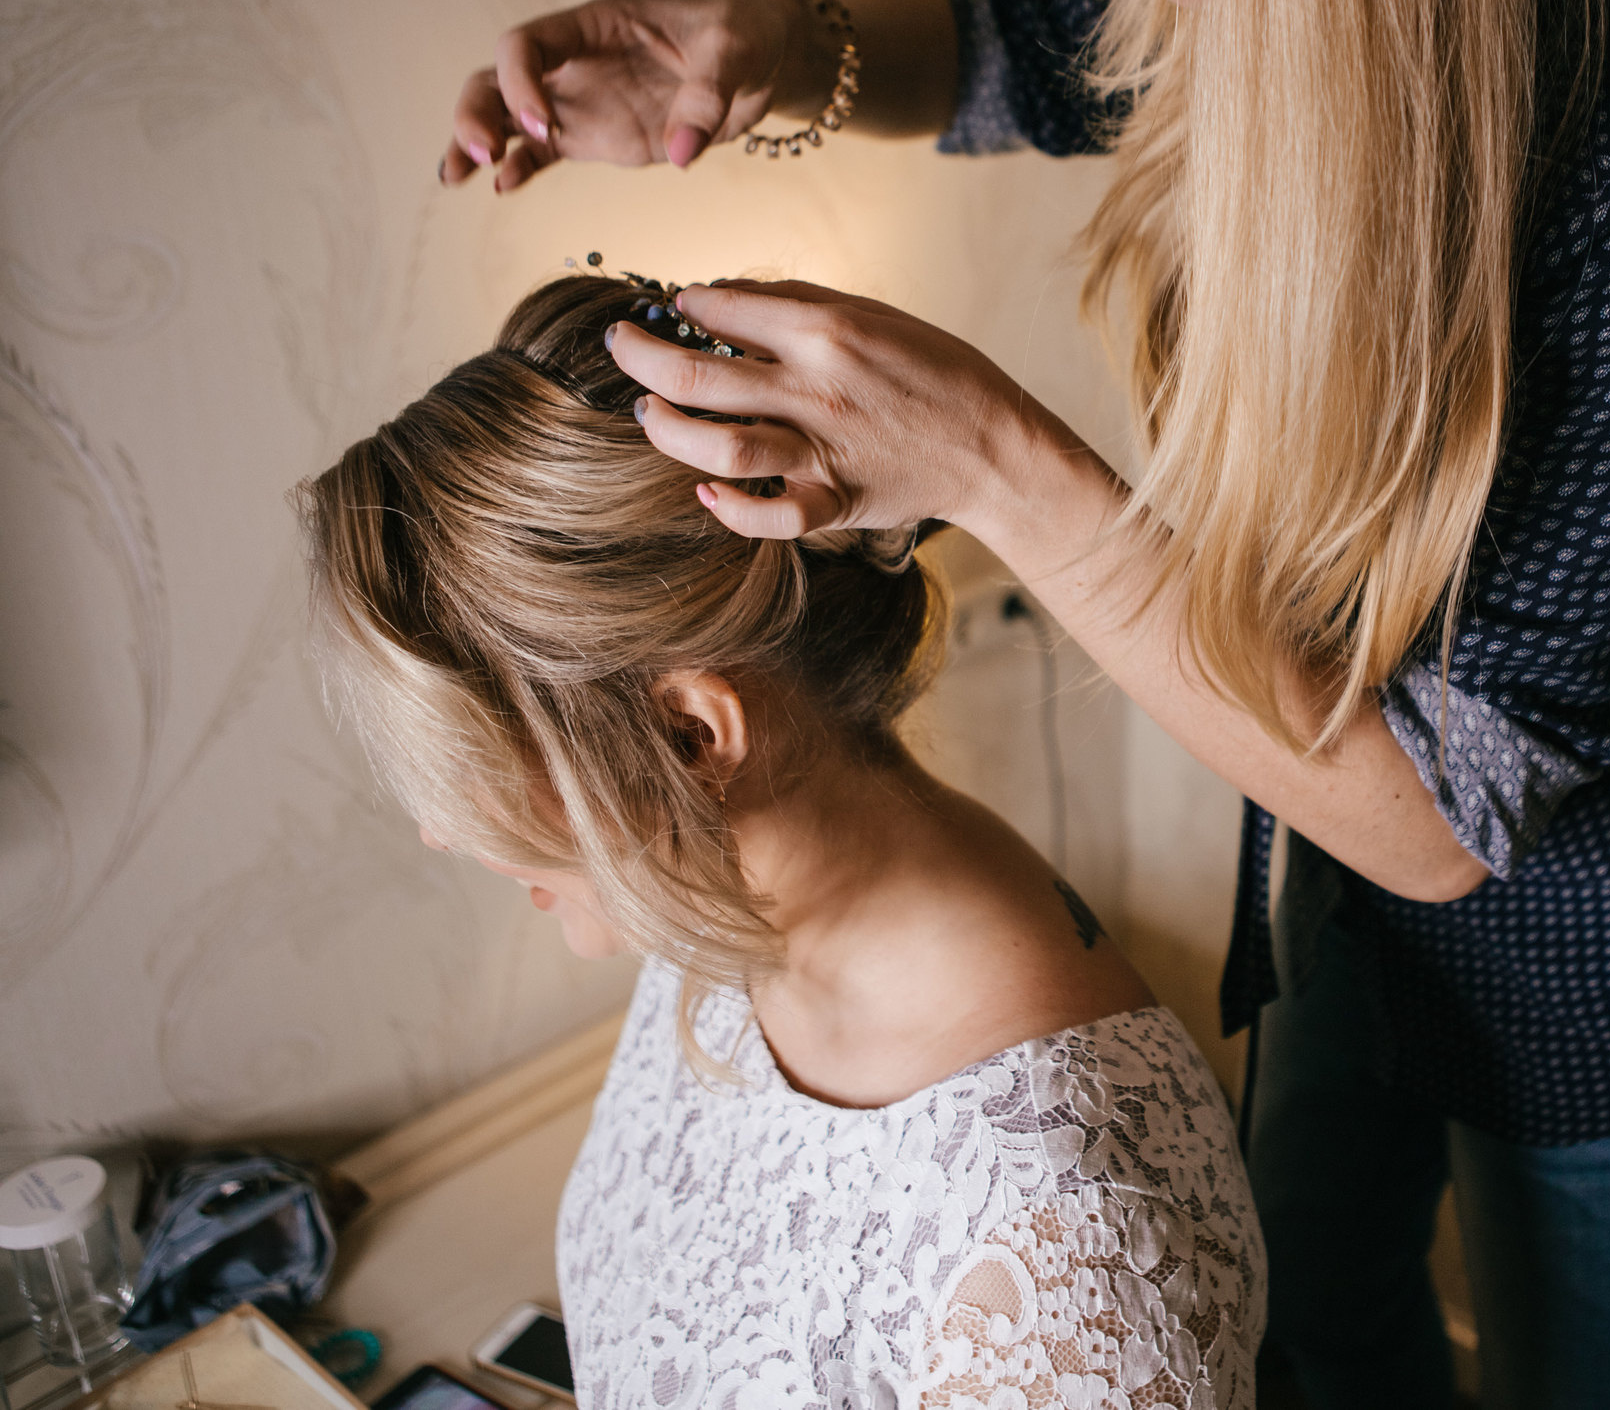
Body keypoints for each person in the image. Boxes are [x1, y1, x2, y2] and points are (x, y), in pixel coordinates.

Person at [437, 0, 1610, 1404]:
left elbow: (1438, 816)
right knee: (1327, 1319)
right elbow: (988, 43)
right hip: (1341, 884)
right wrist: (745, 44)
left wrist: (995, 464)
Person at [297, 273, 1264, 1410]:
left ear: (689, 736)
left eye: (477, 765)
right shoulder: (715, 911)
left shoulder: (1060, 1288)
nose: (441, 829)